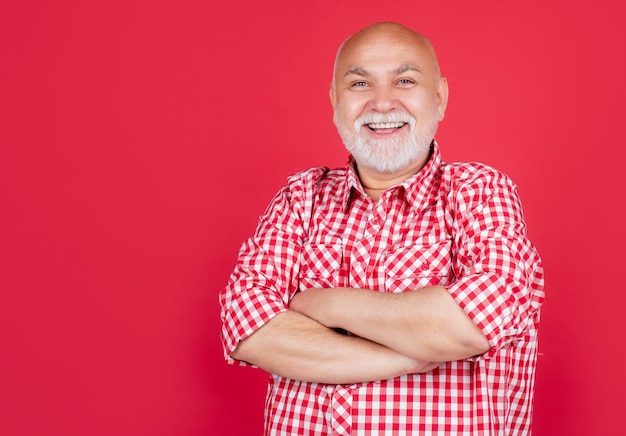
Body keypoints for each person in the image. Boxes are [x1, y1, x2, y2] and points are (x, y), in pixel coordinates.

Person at [219, 21, 544, 435]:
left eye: (404, 80)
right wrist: (408, 355)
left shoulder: (479, 193)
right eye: (360, 85)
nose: (383, 103)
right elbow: (249, 329)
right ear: (335, 101)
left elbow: (476, 321)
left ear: (440, 98)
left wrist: (324, 303)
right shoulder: (299, 198)